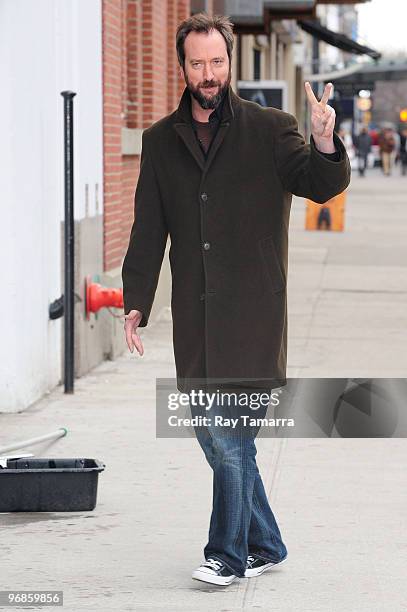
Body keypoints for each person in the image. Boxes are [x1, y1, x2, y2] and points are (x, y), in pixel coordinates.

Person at [122, 13, 351, 586]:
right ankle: (266, 542)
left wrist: (324, 139)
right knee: (214, 435)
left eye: (217, 62)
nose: (209, 74)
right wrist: (137, 300)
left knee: (227, 439)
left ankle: (226, 554)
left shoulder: (271, 129)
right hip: (196, 320)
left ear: (229, 62)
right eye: (197, 63)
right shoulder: (158, 141)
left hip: (253, 317)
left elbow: (320, 184)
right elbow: (149, 229)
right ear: (182, 67)